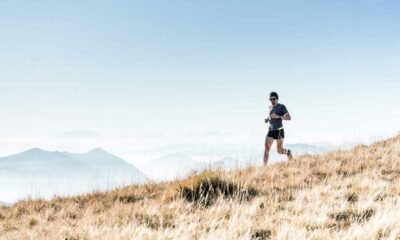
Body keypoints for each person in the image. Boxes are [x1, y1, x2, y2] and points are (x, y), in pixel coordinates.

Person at [264, 91, 292, 165]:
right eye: (270, 99)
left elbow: (289, 117)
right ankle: (264, 168)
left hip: (279, 130)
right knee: (266, 148)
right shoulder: (270, 107)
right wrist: (267, 119)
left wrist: (279, 116)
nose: (272, 101)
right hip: (271, 130)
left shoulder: (282, 107)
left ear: (277, 99)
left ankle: (288, 152)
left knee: (279, 150)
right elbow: (271, 116)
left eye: (273, 99)